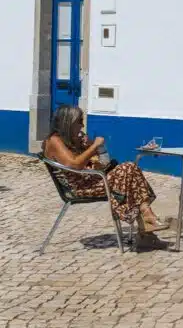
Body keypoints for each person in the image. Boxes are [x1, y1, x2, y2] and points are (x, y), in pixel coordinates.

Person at [43, 105, 167, 246]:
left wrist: (97, 154)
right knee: (128, 170)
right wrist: (93, 147)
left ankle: (147, 219)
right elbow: (74, 164)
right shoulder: (54, 141)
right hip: (80, 187)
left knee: (129, 171)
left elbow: (104, 159)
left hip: (93, 178)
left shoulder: (75, 139)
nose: (82, 125)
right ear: (68, 123)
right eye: (79, 121)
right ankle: (147, 222)